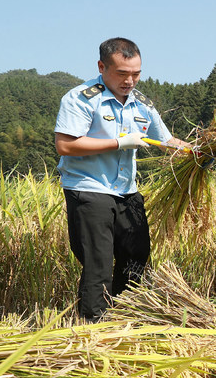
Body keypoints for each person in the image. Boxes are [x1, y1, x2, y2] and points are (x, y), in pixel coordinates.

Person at [55, 37, 191, 323]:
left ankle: (124, 316)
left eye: (136, 73)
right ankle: (94, 327)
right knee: (98, 262)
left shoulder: (141, 104)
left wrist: (196, 151)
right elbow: (66, 145)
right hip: (89, 189)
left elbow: (166, 141)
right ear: (102, 67)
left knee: (136, 256)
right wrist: (118, 143)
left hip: (127, 191)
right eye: (122, 73)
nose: (130, 81)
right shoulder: (81, 98)